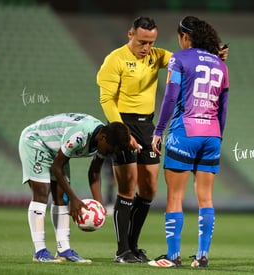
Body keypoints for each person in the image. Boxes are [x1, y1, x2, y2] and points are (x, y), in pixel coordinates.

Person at [96, 16, 228, 264]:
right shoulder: (114, 60)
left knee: (149, 190)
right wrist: (123, 132)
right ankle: (122, 251)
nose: (147, 48)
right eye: (142, 42)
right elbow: (106, 100)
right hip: (122, 124)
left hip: (147, 125)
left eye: (151, 42)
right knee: (127, 188)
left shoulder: (157, 55)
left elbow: (189, 61)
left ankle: (134, 246)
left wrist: (214, 56)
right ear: (130, 35)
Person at [148, 16, 229, 268]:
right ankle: (203, 255)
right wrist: (218, 135)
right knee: (206, 198)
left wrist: (159, 130)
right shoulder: (220, 64)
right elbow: (223, 107)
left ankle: (173, 257)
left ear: (185, 37)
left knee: (175, 197)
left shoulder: (179, 58)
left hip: (185, 132)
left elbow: (170, 98)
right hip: (212, 135)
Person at [18, 113, 130, 263]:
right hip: (36, 141)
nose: (109, 154)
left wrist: (99, 204)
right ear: (102, 137)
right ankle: (40, 252)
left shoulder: (104, 141)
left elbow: (95, 171)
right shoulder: (80, 134)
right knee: (42, 193)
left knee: (61, 197)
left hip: (56, 151)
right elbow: (57, 167)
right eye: (109, 150)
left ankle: (64, 250)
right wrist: (74, 199)